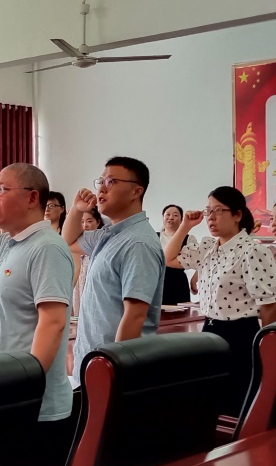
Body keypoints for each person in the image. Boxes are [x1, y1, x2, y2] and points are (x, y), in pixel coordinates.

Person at [0, 164, 74, 466]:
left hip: (34, 403)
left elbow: (53, 322)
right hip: (6, 393)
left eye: (1, 190)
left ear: (32, 198)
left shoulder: (47, 247)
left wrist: (29, 384)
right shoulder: (6, 243)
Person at [162, 187, 276, 404]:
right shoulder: (208, 247)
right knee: (210, 399)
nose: (211, 217)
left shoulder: (252, 251)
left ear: (237, 215)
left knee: (236, 398)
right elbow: (168, 259)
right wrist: (185, 226)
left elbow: (270, 305)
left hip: (240, 334)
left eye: (218, 210)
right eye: (208, 211)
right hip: (210, 330)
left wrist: (266, 350)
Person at [62, 157, 164, 386]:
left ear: (136, 191)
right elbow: (67, 242)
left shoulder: (138, 243)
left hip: (112, 370)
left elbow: (135, 316)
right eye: (101, 182)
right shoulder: (109, 234)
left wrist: (113, 373)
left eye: (111, 182)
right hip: (92, 361)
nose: (101, 189)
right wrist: (77, 210)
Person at [158, 204, 192, 305]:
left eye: (175, 215)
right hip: (156, 282)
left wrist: (195, 278)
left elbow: (199, 260)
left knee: (182, 312)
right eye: (167, 214)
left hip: (178, 282)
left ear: (182, 220)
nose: (171, 217)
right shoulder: (153, 236)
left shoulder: (189, 239)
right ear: (163, 218)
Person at [72, 206, 102, 315]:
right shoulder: (75, 246)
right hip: (78, 290)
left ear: (98, 222)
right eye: (82, 222)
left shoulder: (101, 244)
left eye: (89, 221)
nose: (85, 225)